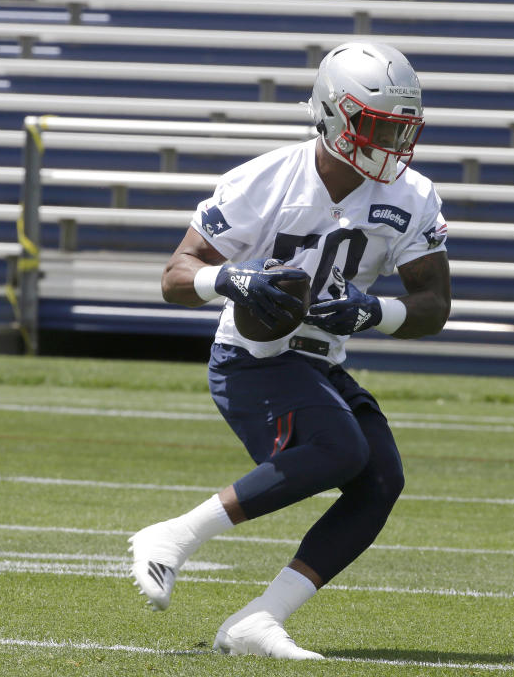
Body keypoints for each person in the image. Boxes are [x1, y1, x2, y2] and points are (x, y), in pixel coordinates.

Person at [129, 41, 451, 660]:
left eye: (400, 129)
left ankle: (259, 620)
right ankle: (170, 537)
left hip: (322, 360)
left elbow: (434, 304)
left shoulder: (414, 196)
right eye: (376, 125)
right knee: (339, 448)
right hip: (251, 356)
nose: (390, 143)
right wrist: (228, 279)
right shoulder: (265, 178)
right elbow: (175, 275)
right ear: (332, 115)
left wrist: (373, 310)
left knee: (381, 478)